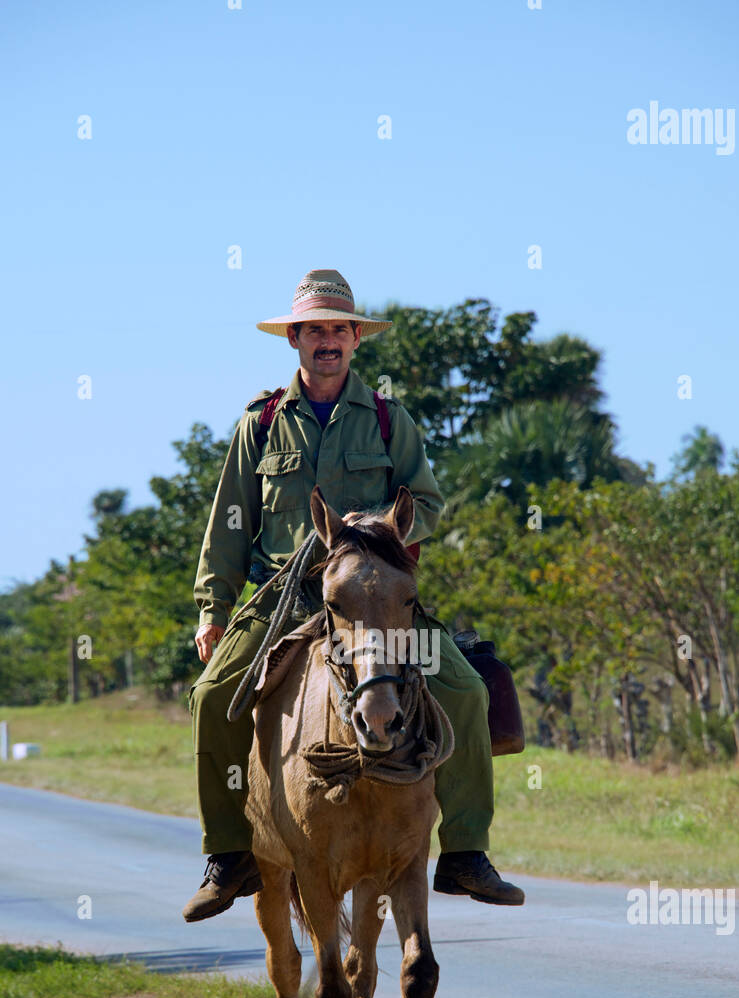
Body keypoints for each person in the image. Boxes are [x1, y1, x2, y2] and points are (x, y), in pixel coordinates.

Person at [183, 269, 524, 921]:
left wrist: (379, 532)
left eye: (339, 329)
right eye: (315, 330)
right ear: (296, 341)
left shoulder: (391, 421)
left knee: (468, 690)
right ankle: (228, 856)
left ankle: (464, 853)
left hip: (374, 599)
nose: (328, 340)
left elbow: (426, 501)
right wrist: (212, 610)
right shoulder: (258, 425)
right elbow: (228, 522)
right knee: (210, 698)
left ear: (355, 339)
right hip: (284, 599)